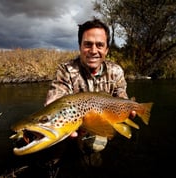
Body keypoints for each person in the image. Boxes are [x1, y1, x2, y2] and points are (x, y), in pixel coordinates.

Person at [43, 18, 136, 173]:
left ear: (106, 49)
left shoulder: (116, 71)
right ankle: (54, 164)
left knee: (95, 149)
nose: (93, 50)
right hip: (71, 127)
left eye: (99, 45)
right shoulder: (66, 70)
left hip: (98, 126)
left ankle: (90, 159)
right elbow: (56, 101)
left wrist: (127, 109)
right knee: (52, 152)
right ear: (80, 47)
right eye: (88, 44)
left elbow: (121, 97)